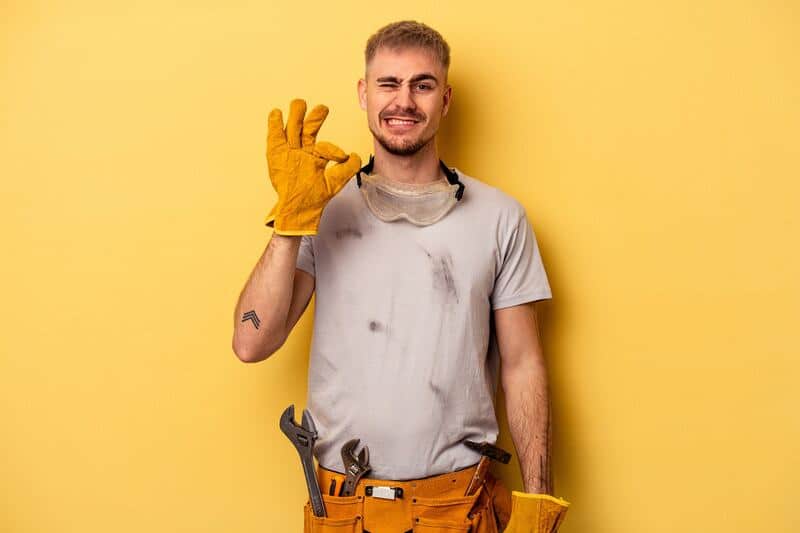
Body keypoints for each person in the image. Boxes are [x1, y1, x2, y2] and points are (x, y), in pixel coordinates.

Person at [232, 20, 570, 532]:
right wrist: (289, 225)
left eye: (423, 84)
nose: (404, 101)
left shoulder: (500, 218)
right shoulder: (321, 211)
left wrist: (539, 502)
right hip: (344, 510)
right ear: (364, 95)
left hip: (460, 509)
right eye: (389, 84)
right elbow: (251, 342)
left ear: (446, 98)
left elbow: (523, 364)